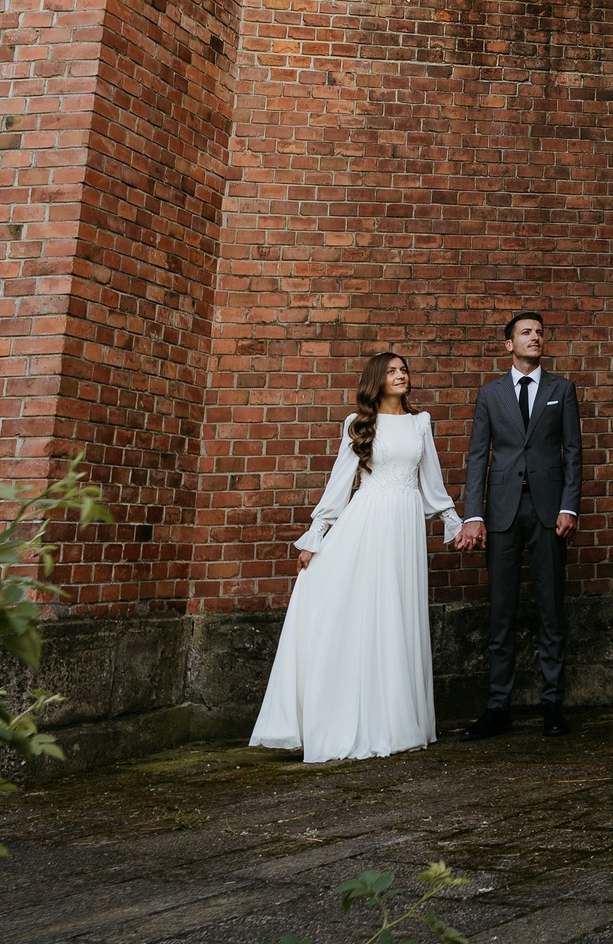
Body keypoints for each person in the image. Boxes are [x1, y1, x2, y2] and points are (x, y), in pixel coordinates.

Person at [250, 351, 463, 762]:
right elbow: (338, 482)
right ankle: (345, 717)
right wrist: (315, 535)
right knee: (360, 610)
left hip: (405, 526)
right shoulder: (358, 423)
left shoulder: (421, 423)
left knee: (397, 614)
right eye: (392, 371)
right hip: (367, 521)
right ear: (376, 380)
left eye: (404, 370)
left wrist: (453, 522)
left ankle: (398, 721)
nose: (401, 376)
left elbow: (431, 483)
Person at [455, 309, 583, 738]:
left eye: (540, 333)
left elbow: (573, 452)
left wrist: (570, 506)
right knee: (502, 612)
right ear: (508, 344)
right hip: (502, 513)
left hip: (549, 514)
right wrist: (474, 514)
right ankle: (498, 707)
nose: (535, 337)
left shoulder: (561, 390)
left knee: (551, 610)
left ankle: (552, 705)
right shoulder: (490, 395)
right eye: (526, 333)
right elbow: (477, 457)